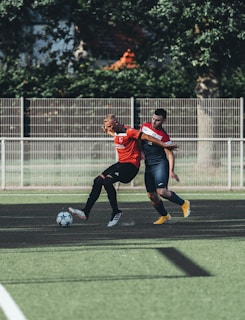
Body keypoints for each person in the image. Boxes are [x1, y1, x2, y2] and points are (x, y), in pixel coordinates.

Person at [68, 114, 178, 227]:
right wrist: (108, 131)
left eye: (110, 126)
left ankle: (116, 212)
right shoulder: (115, 131)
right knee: (97, 181)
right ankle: (85, 212)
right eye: (107, 127)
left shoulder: (130, 131)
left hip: (130, 166)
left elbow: (148, 138)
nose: (108, 129)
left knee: (107, 182)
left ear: (116, 123)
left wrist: (164, 145)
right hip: (121, 164)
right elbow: (115, 134)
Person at [140, 108, 190, 224]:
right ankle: (164, 216)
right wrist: (140, 151)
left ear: (164, 121)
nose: (154, 122)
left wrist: (171, 171)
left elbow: (170, 154)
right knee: (151, 195)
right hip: (149, 166)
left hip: (160, 164)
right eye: (153, 119)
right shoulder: (145, 126)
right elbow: (139, 139)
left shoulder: (164, 136)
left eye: (157, 120)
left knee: (161, 191)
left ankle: (183, 203)